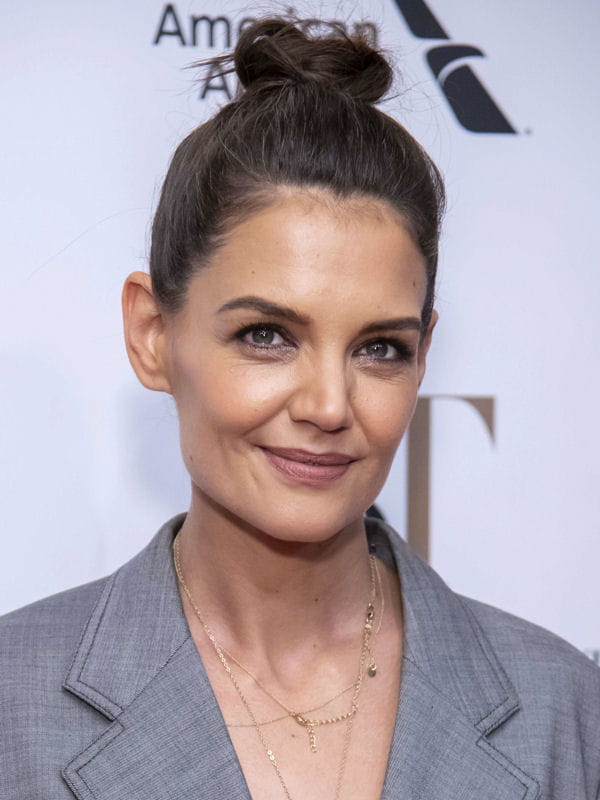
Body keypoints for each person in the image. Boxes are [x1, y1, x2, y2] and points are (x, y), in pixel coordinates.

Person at [1, 17, 599, 800]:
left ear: (424, 353)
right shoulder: (14, 702)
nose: (328, 405)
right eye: (267, 335)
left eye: (379, 348)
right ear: (153, 335)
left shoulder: (564, 710)